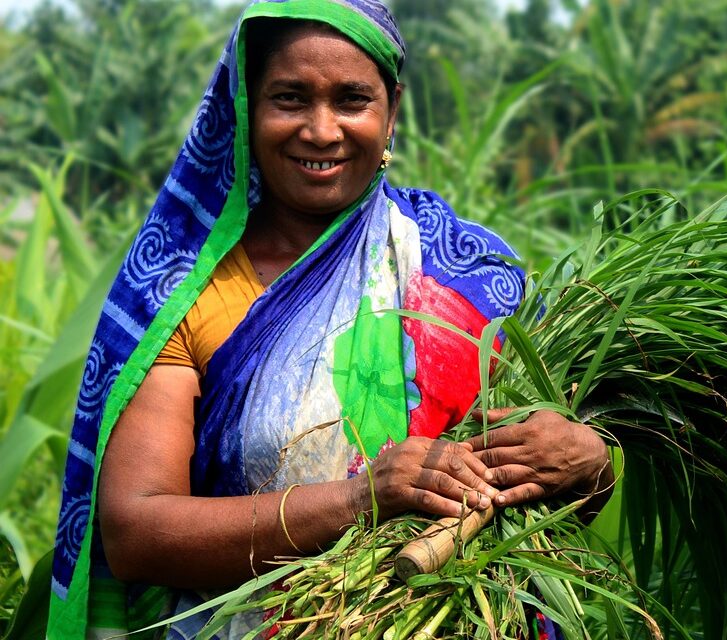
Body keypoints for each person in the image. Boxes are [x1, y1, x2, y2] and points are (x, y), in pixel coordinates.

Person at [48, 2, 613, 637]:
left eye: (352, 100)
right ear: (246, 107)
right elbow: (136, 533)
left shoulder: (470, 274)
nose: (321, 131)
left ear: (391, 110)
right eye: (290, 98)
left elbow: (535, 494)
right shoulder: (184, 291)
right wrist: (358, 500)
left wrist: (590, 463)